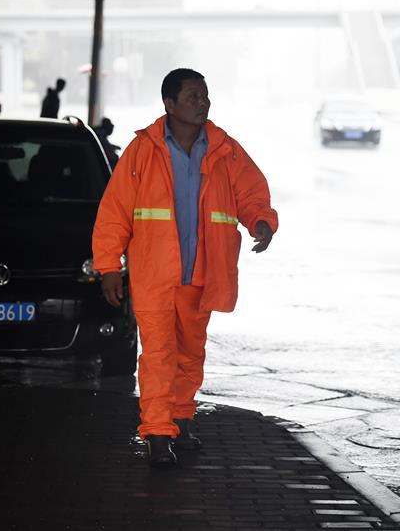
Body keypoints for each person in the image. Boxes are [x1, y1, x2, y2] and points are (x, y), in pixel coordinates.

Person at [91, 68, 278, 468]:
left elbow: (250, 192)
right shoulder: (142, 151)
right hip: (154, 274)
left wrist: (261, 220)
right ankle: (158, 435)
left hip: (202, 273)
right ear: (169, 104)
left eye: (204, 95)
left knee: (190, 354)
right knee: (158, 355)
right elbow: (114, 212)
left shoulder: (225, 149)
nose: (202, 102)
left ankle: (180, 418)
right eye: (192, 96)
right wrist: (108, 266)